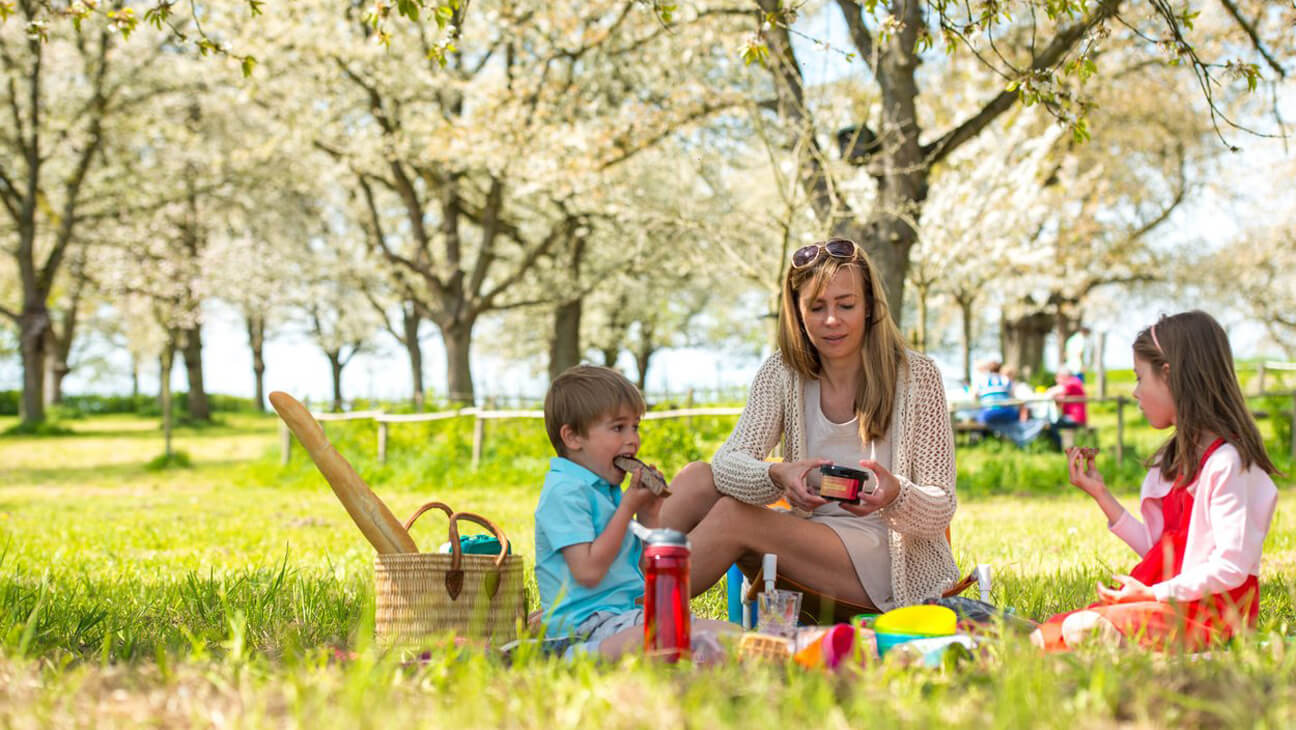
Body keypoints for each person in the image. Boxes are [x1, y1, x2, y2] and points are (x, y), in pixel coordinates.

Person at [659, 238, 959, 612]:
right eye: (816, 308)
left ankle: (632, 609)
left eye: (846, 305)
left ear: (868, 307)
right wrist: (778, 475)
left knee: (733, 518)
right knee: (696, 478)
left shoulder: (917, 376)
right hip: (810, 540)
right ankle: (611, 589)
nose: (831, 320)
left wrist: (896, 493)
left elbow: (941, 506)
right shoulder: (782, 372)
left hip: (890, 562)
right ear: (797, 313)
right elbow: (727, 463)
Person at [1032, 311, 1279, 651]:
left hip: (1211, 617)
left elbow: (1231, 566)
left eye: (1139, 377)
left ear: (1169, 376)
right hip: (1167, 605)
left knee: (1082, 629)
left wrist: (1154, 592)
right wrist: (1101, 494)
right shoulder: (1173, 461)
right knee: (1046, 634)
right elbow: (1160, 552)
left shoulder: (1227, 463)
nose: (1135, 392)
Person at [533, 365, 732, 658]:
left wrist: (649, 515)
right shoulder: (565, 492)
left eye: (635, 427)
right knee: (704, 637)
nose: (632, 440)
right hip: (584, 625)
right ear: (573, 437)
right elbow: (588, 572)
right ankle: (574, 656)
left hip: (622, 616)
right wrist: (626, 508)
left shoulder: (606, 488)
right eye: (618, 428)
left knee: (725, 636)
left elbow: (641, 570)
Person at [1044, 368, 1088, 450]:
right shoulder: (1072, 383)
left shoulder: (1073, 382)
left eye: (1058, 378)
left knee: (1051, 424)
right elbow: (1060, 400)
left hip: (1075, 418)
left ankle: (1058, 449)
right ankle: (1057, 447)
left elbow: (1055, 391)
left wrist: (1048, 391)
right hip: (1071, 417)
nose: (1056, 380)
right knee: (1050, 423)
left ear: (1064, 376)